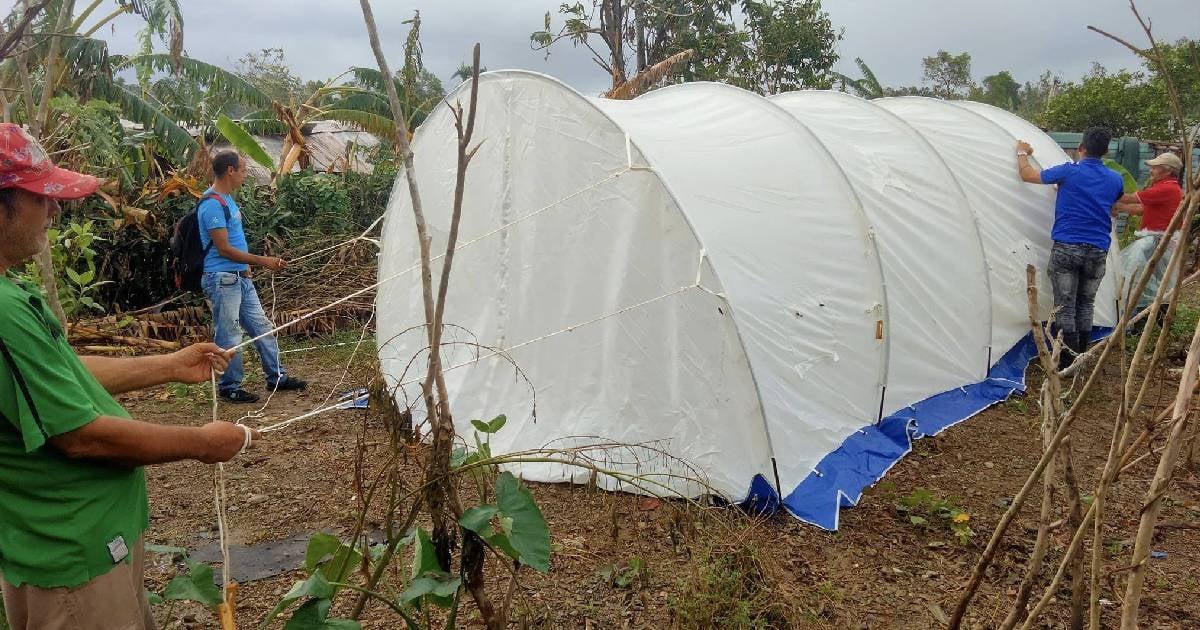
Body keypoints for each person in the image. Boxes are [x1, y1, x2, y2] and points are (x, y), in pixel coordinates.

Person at [0, 123, 260, 629]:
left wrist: (166, 365)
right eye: (41, 198)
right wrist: (199, 443)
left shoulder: (11, 290)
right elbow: (79, 438)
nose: (55, 211)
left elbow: (65, 374)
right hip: (73, 558)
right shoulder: (2, 311)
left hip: (93, 543)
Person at [199, 151, 306, 403]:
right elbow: (223, 248)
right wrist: (263, 261)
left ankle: (277, 377)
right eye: (244, 170)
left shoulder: (227, 200)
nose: (246, 175)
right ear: (230, 171)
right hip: (223, 280)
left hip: (239, 278)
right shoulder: (212, 204)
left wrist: (246, 267)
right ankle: (229, 387)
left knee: (262, 328)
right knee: (229, 336)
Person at [1016, 127, 1124, 366]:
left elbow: (1028, 175)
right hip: (1097, 249)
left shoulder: (1068, 172)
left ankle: (1066, 361)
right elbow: (1111, 206)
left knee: (1064, 305)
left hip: (1068, 246)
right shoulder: (1115, 179)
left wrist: (1022, 153)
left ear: (1081, 148)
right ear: (1105, 152)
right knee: (1086, 303)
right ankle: (1081, 356)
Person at [1114, 152, 1185, 324]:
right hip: (1160, 240)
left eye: (1155, 167)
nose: (1151, 170)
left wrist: (1105, 198)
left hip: (1159, 241)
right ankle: (1155, 320)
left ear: (1167, 171)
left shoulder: (1165, 188)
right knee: (1156, 281)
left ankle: (1148, 320)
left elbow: (1129, 198)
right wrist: (1118, 207)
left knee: (1144, 278)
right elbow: (1141, 209)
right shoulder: (1168, 187)